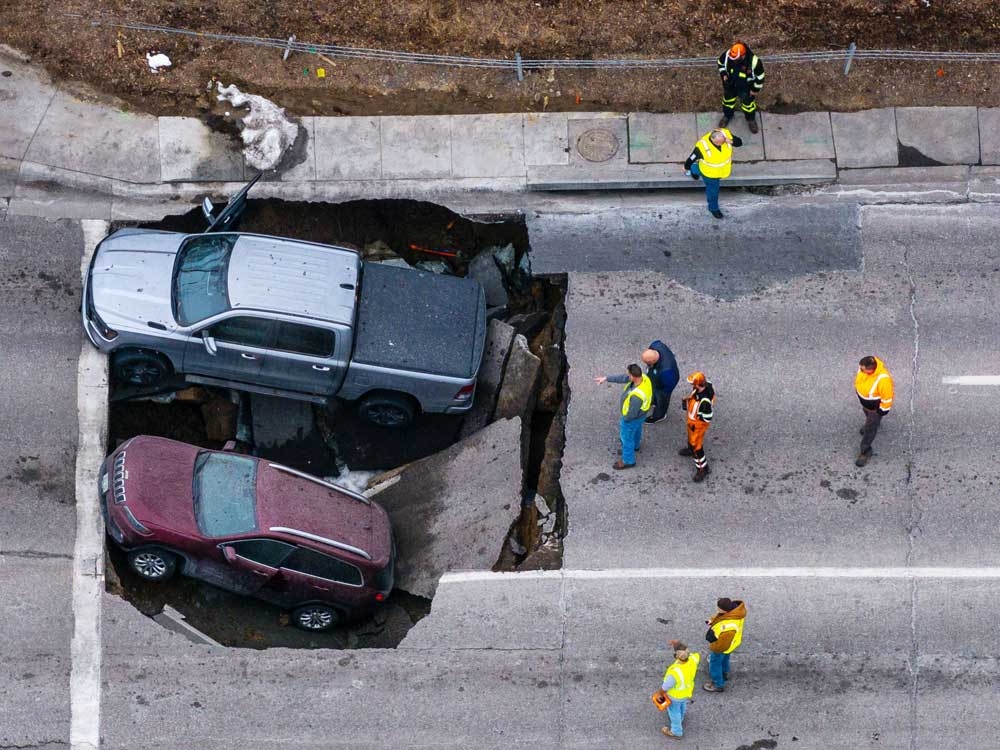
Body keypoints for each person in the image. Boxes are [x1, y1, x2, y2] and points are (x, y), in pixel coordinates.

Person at [593, 363, 653, 470]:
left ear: (633, 376)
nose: (627, 376)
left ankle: (628, 460)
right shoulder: (644, 378)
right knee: (637, 430)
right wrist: (606, 378)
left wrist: (625, 420)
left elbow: (632, 414)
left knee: (627, 438)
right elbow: (623, 378)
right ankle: (636, 446)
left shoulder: (637, 397)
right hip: (642, 415)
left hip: (632, 418)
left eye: (628, 375)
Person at [683, 129, 742, 219]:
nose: (721, 144)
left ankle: (693, 170)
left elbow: (739, 143)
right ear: (712, 139)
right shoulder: (702, 147)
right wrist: (686, 167)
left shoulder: (726, 134)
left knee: (697, 168)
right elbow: (691, 159)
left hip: (721, 169)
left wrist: (731, 141)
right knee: (713, 191)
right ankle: (713, 208)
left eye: (722, 142)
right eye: (718, 143)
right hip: (710, 174)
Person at [654, 639, 700, 739]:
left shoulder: (675, 673)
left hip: (674, 696)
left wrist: (660, 693)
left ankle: (676, 731)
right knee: (682, 705)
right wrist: (678, 644)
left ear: (676, 657)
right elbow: (692, 654)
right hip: (686, 692)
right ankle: (681, 717)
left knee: (674, 712)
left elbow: (665, 687)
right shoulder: (693, 659)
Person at [717, 42, 765, 134]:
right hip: (730, 85)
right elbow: (720, 63)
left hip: (746, 88)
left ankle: (750, 120)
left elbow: (760, 77)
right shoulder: (728, 55)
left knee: (748, 106)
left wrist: (755, 89)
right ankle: (727, 116)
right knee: (728, 102)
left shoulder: (754, 62)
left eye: (736, 59)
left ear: (743, 55)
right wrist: (723, 74)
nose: (733, 61)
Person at [854, 355, 894, 467]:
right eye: (860, 368)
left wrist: (881, 412)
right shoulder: (863, 369)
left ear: (871, 369)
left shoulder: (883, 380)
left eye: (863, 369)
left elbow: (887, 398)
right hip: (866, 405)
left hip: (874, 410)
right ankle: (871, 424)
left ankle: (865, 451)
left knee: (870, 430)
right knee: (869, 420)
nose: (860, 370)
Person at [703, 597, 747, 692]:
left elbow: (721, 646)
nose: (718, 610)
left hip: (723, 646)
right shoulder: (735, 612)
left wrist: (713, 648)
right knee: (725, 658)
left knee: (715, 663)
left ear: (724, 609)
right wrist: (712, 620)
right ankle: (724, 673)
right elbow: (721, 617)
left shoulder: (728, 629)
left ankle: (718, 684)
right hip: (731, 644)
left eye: (719, 608)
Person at [679, 371, 715, 482]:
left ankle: (703, 468)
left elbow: (707, 418)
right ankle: (690, 449)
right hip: (692, 423)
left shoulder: (704, 402)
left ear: (698, 384)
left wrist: (696, 426)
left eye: (693, 383)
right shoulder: (701, 389)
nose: (691, 386)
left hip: (697, 426)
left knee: (697, 447)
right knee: (691, 441)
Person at [642, 341, 680, 424]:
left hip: (664, 386)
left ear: (653, 361)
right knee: (653, 391)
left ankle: (659, 415)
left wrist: (663, 394)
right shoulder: (656, 345)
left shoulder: (667, 371)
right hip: (657, 380)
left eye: (648, 364)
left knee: (661, 400)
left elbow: (668, 387)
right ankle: (653, 400)